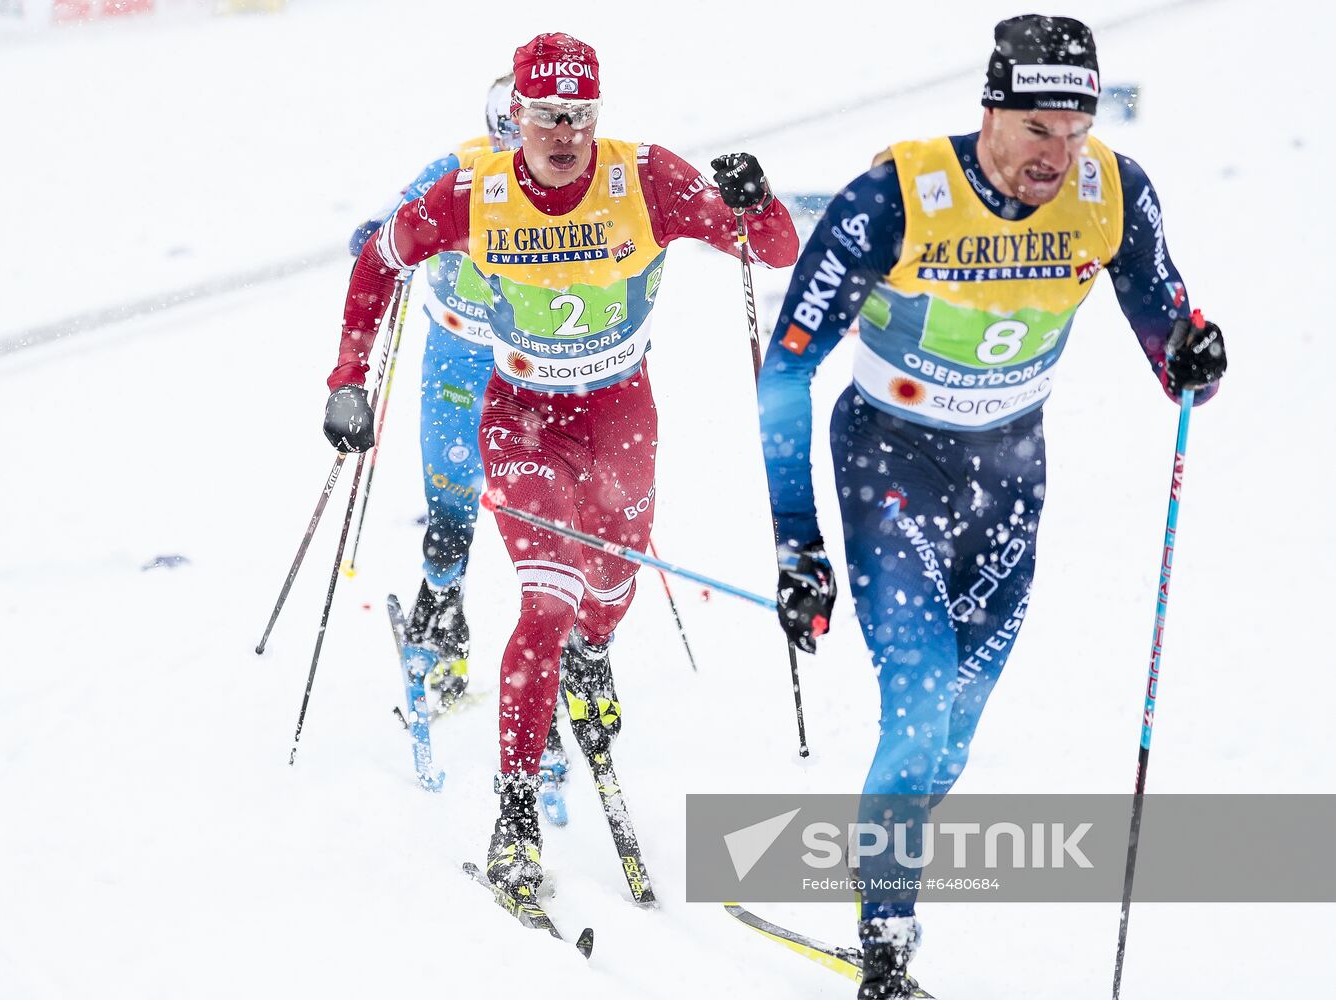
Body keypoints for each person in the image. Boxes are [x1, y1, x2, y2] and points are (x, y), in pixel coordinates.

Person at [757, 15, 1226, 998]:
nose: (1056, 157)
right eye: (1035, 130)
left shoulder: (1112, 193)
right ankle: (885, 938)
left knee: (950, 735)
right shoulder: (895, 198)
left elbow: (1167, 333)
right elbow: (785, 373)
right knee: (919, 704)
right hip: (888, 459)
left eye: (1074, 131)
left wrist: (1191, 355)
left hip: (1009, 476)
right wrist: (797, 543)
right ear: (989, 111)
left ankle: (891, 870)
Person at [323, 32, 798, 897]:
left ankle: (593, 656)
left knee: (610, 593)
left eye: (579, 114)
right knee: (547, 599)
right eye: (545, 114)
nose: (564, 132)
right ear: (517, 117)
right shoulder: (474, 190)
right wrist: (347, 380)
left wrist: (755, 201)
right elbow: (378, 256)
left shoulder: (647, 176)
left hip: (621, 415)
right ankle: (514, 815)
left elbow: (772, 252)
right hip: (522, 420)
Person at [346, 74, 519, 713]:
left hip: (533, 363)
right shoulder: (457, 171)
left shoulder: (573, 185)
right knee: (448, 497)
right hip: (457, 351)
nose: (518, 153)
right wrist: (381, 240)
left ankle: (559, 648)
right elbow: (380, 233)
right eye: (508, 134)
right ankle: (443, 611)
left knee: (547, 507)